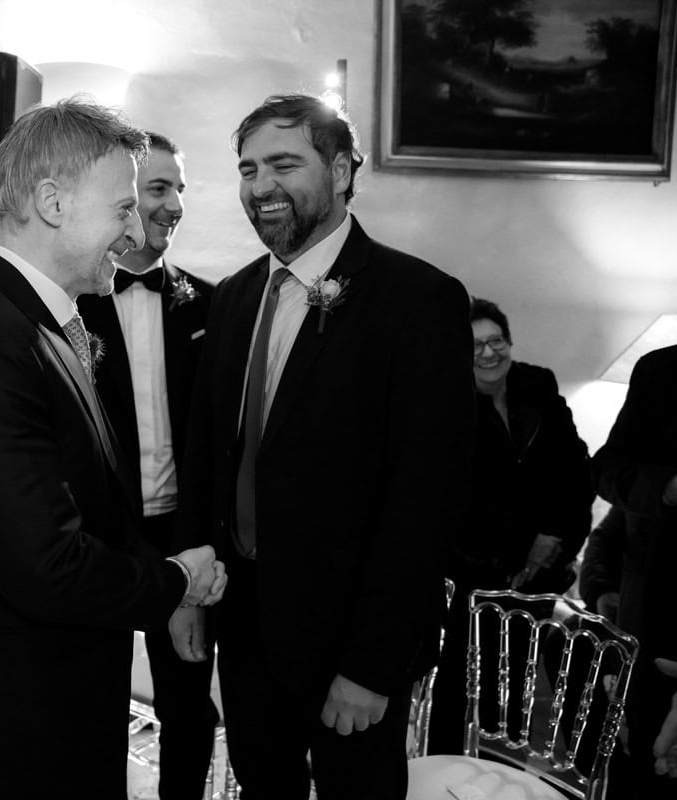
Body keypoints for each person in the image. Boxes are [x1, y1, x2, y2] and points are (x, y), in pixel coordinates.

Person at [0, 98, 226, 800]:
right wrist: (176, 581)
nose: (135, 230)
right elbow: (45, 565)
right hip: (21, 713)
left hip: (59, 694)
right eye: (122, 208)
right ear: (52, 203)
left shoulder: (36, 323)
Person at [170, 93, 473, 800]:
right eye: (248, 169)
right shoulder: (235, 296)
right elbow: (209, 454)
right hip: (245, 623)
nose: (260, 186)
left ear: (340, 171)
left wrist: (370, 664)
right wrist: (187, 586)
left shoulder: (417, 300)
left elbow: (425, 500)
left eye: (283, 164)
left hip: (348, 639)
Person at [75, 131, 218, 799]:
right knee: (93, 708)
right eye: (160, 188)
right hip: (100, 541)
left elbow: (216, 444)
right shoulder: (73, 308)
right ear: (123, 198)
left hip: (182, 534)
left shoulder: (208, 304)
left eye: (179, 189)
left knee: (187, 705)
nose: (176, 205)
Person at [428, 297, 594, 754]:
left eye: (496, 340)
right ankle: (446, 776)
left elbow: (575, 472)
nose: (488, 353)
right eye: (475, 345)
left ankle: (506, 776)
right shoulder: (445, 403)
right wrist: (525, 545)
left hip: (538, 580)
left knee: (514, 702)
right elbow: (455, 497)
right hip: (471, 576)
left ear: (509, 341)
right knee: (460, 696)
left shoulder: (538, 386)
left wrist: (555, 543)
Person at [593, 341, 677, 798]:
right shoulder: (662, 369)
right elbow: (607, 470)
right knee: (646, 765)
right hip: (656, 619)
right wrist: (668, 488)